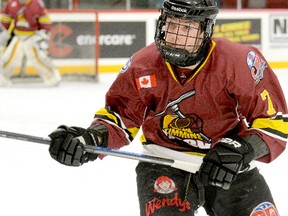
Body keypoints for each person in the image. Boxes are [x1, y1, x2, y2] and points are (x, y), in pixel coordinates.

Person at [48, 0, 287, 215]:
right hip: (164, 163)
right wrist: (88, 139)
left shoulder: (238, 62)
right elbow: (120, 118)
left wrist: (242, 150)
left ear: (205, 31)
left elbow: (275, 123)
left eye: (186, 29)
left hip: (226, 165)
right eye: (172, 25)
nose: (176, 36)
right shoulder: (143, 65)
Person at [0, 0, 61, 86]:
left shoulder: (37, 4)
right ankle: (2, 77)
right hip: (18, 35)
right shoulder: (11, 4)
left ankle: (51, 76)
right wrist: (2, 34)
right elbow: (5, 22)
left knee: (37, 58)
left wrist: (43, 36)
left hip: (33, 36)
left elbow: (45, 21)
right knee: (11, 57)